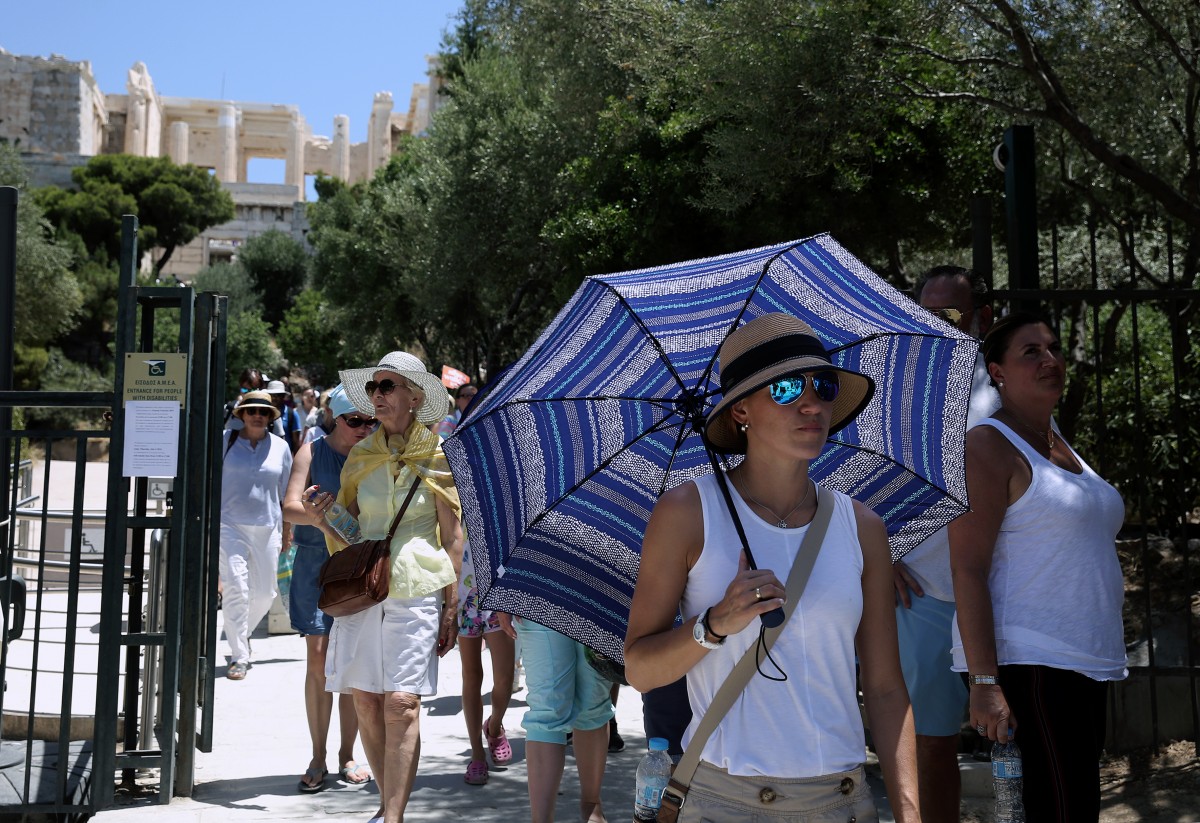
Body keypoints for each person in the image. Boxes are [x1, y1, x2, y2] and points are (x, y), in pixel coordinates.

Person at [625, 313, 920, 822]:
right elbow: (640, 669)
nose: (812, 404)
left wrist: (911, 814)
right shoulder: (687, 513)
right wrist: (714, 624)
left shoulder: (862, 526)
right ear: (741, 409)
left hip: (843, 800)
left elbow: (887, 688)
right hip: (722, 801)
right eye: (785, 388)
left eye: (823, 386)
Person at [949, 313, 1127, 820]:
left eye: (1053, 348)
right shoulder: (987, 444)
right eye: (1030, 352)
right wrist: (985, 684)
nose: (1050, 360)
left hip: (1083, 659)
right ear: (997, 372)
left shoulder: (1057, 442)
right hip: (1030, 663)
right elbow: (966, 568)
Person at [316, 351, 462, 823]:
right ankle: (385, 806)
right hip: (364, 586)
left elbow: (453, 535)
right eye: (374, 387)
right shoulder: (362, 454)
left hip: (417, 586)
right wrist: (325, 516)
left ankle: (394, 815)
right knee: (365, 700)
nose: (376, 396)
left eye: (387, 386)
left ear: (414, 397)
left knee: (401, 702)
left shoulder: (440, 458)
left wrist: (451, 604)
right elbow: (350, 531)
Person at [893, 265, 997, 823]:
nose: (936, 325)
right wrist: (879, 556)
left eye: (950, 314)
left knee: (1013, 740)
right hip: (924, 596)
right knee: (931, 742)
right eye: (925, 313)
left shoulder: (1004, 386)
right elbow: (854, 479)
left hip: (1003, 596)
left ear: (980, 318)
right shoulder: (896, 390)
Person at [282, 385, 375, 793]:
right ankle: (318, 755)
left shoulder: (374, 453)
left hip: (355, 566)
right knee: (318, 660)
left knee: (351, 662)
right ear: (335, 418)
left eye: (369, 420)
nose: (363, 427)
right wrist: (322, 522)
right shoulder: (312, 449)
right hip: (316, 565)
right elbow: (288, 506)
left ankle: (347, 754)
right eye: (355, 420)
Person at [497, 612, 612, 823]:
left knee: (593, 703)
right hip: (537, 591)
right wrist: (499, 594)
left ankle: (592, 805)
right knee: (546, 712)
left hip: (598, 591)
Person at [219, 390, 293, 680]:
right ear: (242, 415)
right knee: (236, 587)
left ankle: (240, 633)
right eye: (252, 411)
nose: (258, 416)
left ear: (270, 417)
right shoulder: (225, 441)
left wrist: (288, 530)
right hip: (230, 525)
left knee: (265, 594)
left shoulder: (280, 447)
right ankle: (239, 656)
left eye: (263, 412)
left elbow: (288, 493)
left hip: (268, 527)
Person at [457, 537, 516, 785]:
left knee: (505, 678)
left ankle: (494, 727)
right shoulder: (459, 500)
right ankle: (477, 754)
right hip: (465, 596)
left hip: (500, 594)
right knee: (472, 677)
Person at [267, 378, 305, 452]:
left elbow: (296, 442)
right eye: (272, 395)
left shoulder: (292, 414)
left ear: (283, 396)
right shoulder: (261, 412)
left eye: (278, 395)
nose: (274, 398)